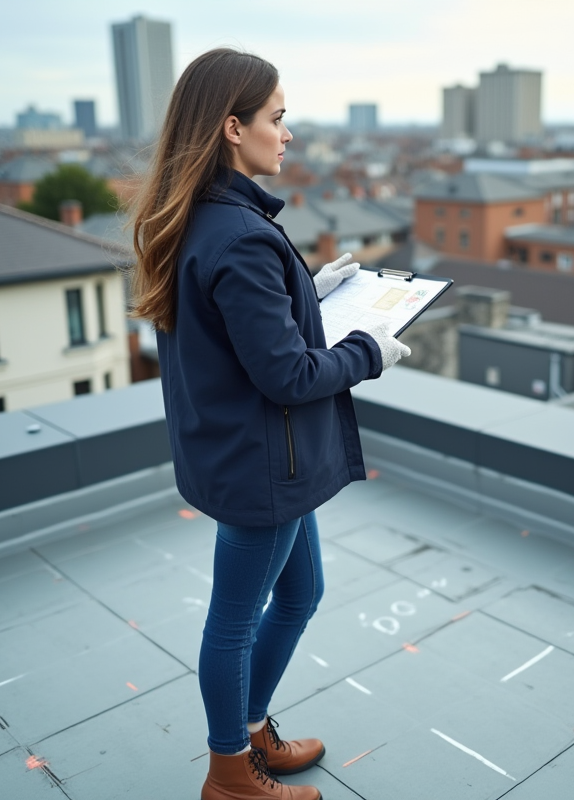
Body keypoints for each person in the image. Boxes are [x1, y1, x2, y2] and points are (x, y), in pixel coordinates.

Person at [129, 48, 411, 800]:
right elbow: (287, 375)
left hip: (250, 453)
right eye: (277, 119)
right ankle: (230, 774)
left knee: (299, 595)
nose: (287, 135)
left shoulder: (199, 216)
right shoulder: (242, 233)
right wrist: (369, 350)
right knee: (233, 621)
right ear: (233, 127)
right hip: (264, 463)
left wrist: (307, 292)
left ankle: (252, 732)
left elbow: (235, 328)